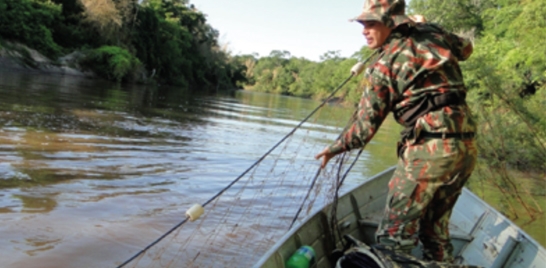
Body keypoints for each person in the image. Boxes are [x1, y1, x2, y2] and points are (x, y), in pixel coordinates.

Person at [315, 0, 477, 263]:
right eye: (362, 24)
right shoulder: (433, 33)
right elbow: (466, 49)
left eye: (371, 23)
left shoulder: (382, 67)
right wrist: (426, 26)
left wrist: (333, 148)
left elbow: (362, 131)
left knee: (391, 242)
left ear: (391, 23)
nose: (364, 30)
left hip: (429, 151)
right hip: (465, 148)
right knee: (435, 231)